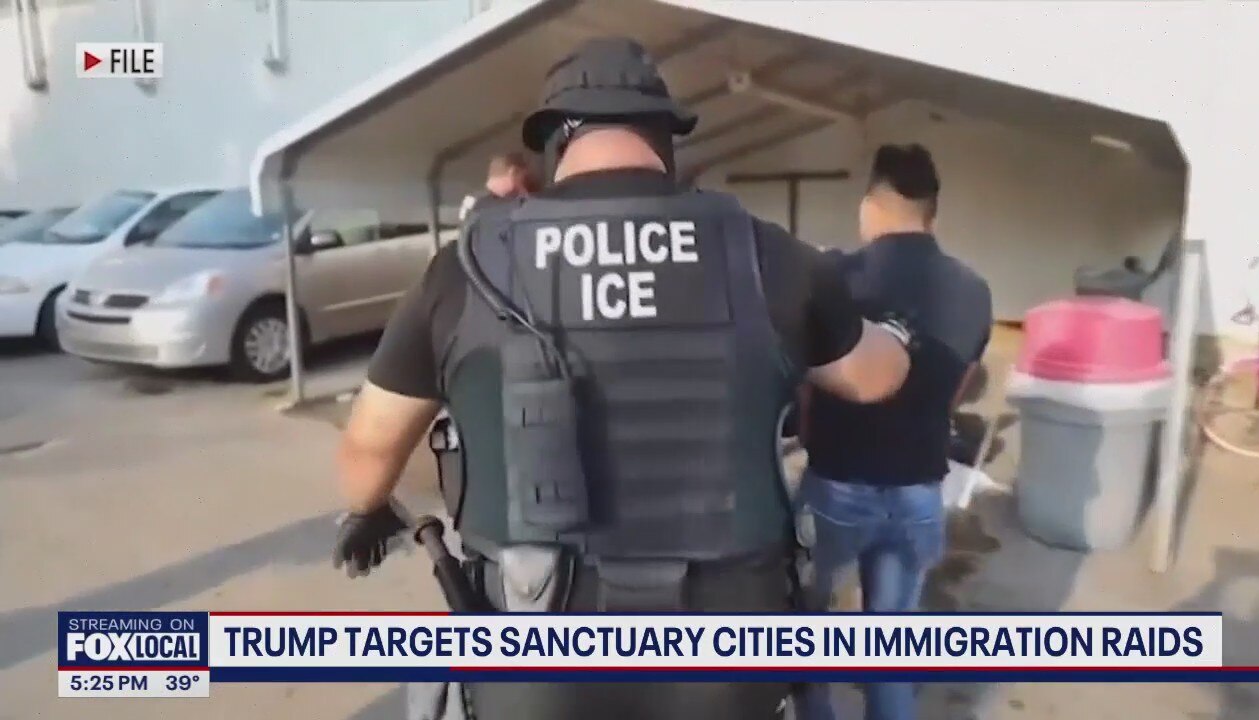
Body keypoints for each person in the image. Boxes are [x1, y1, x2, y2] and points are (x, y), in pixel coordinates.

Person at [333, 36, 913, 720]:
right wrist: (899, 335)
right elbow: (874, 379)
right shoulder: (766, 252)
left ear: (556, 139)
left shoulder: (469, 266)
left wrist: (368, 509)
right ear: (666, 136)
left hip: (535, 645)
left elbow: (369, 446)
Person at [794, 144, 993, 720]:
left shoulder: (835, 277)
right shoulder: (973, 291)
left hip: (837, 486)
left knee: (804, 643)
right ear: (932, 213)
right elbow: (957, 392)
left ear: (869, 205)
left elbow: (806, 381)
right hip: (919, 491)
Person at [458, 152, 537, 221]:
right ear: (512, 172)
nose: (523, 185)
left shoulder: (471, 201)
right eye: (523, 177)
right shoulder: (515, 202)